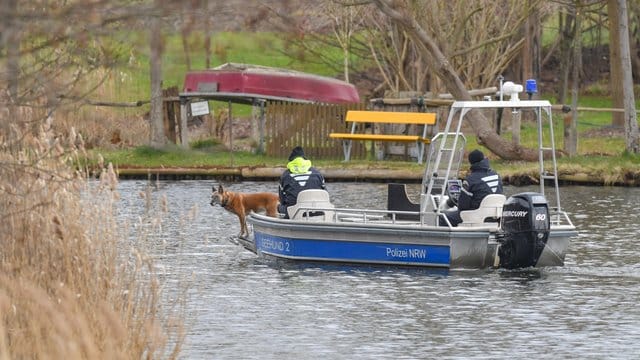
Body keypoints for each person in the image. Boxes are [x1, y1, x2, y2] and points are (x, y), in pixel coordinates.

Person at [440, 149, 504, 226]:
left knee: (441, 216)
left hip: (474, 217)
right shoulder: (497, 176)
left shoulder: (470, 180)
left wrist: (454, 202)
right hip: (495, 218)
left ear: (471, 163)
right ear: (484, 159)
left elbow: (463, 206)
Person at [278, 146, 326, 218]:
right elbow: (325, 194)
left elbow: (282, 199)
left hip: (294, 213)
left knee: (278, 206)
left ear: (291, 161)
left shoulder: (285, 175)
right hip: (319, 212)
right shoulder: (317, 174)